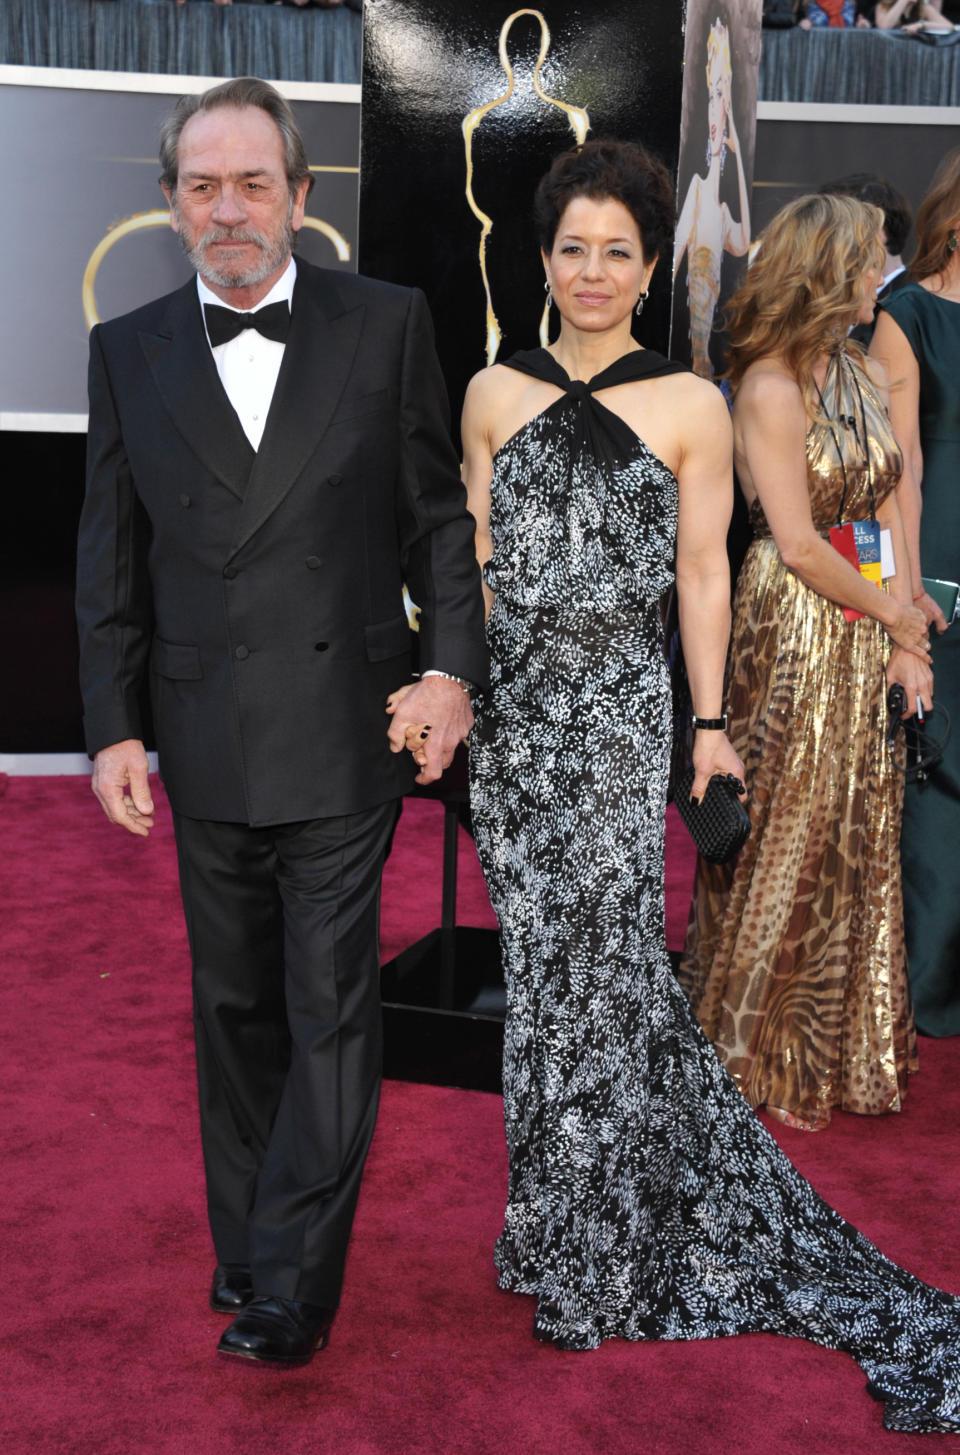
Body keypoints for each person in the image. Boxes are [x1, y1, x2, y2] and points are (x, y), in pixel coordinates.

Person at [400, 140, 960, 1432]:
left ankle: (596, 1257)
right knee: (546, 983)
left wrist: (707, 724)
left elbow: (704, 575)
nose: (593, 273)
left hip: (612, 720)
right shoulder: (489, 390)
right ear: (541, 262)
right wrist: (455, 686)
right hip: (520, 730)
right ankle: (551, 1225)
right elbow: (474, 565)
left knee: (607, 972)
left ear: (652, 268)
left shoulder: (692, 404)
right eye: (572, 250)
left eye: (618, 252)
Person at [75, 77, 488, 1367]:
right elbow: (110, 557)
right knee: (235, 1004)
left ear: (303, 199)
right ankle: (252, 1240)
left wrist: (450, 673)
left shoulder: (385, 324)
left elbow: (437, 520)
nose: (230, 208)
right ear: (169, 205)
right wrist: (111, 726)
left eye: (256, 183)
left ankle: (293, 1285)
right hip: (200, 729)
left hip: (343, 723)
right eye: (204, 186)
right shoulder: (127, 348)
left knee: (327, 1004)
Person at [680, 193, 931, 1132]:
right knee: (784, 831)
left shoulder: (861, 368)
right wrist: (901, 623)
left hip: (865, 611)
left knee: (855, 828)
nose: (881, 276)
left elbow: (884, 505)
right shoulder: (769, 386)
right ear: (828, 270)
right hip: (795, 630)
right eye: (869, 261)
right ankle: (755, 1048)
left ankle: (836, 1044)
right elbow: (796, 543)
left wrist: (904, 615)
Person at [870, 147, 960, 1036]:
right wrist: (906, 594)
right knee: (937, 770)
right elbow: (900, 473)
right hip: (942, 561)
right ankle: (929, 984)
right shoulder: (907, 316)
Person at [673, 17, 750, 378]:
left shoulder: (721, 213)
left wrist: (736, 154)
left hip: (713, 362)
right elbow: (670, 265)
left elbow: (744, 242)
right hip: (686, 357)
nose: (718, 107)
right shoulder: (697, 191)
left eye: (724, 95)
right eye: (714, 94)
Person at [818, 171, 913, 347]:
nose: (823, 238)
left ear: (878, 229)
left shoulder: (910, 305)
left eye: (837, 225)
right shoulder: (826, 301)